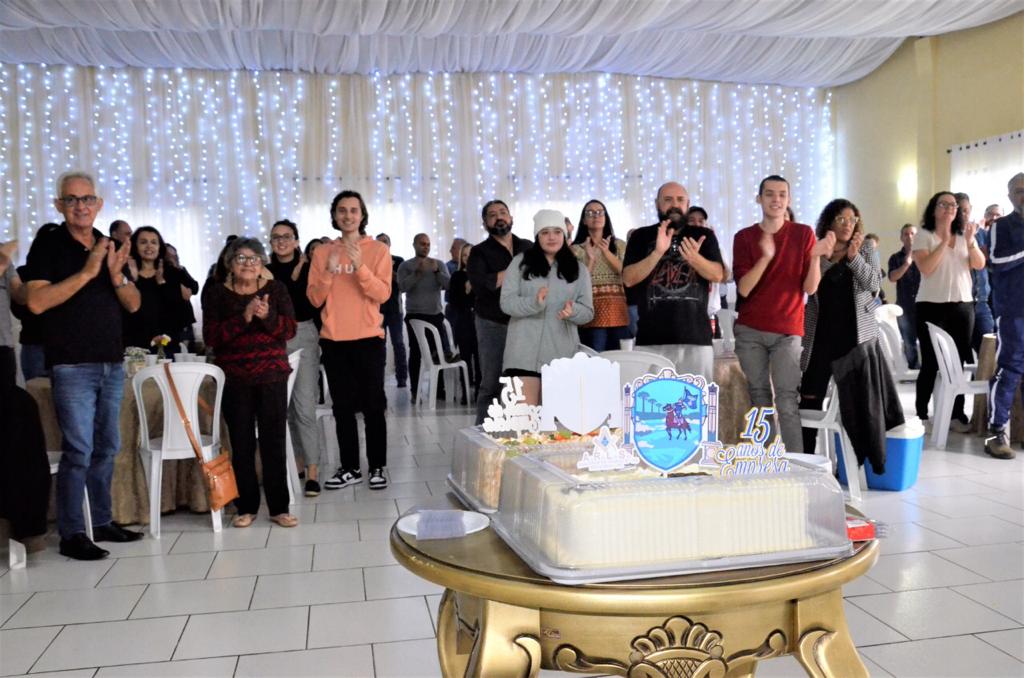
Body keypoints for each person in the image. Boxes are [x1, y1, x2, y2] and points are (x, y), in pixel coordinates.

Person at [22, 170, 143, 560]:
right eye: (72, 199)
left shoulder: (109, 244)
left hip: (111, 362)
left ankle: (102, 521)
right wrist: (89, 271)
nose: (80, 206)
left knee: (107, 447)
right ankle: (72, 533)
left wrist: (115, 275)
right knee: (79, 450)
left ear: (99, 203)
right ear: (59, 204)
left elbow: (134, 304)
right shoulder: (49, 244)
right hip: (72, 364)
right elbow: (36, 302)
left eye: (87, 199)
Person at [732, 175, 834, 452]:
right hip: (750, 329)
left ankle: (796, 464)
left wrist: (815, 256)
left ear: (788, 199)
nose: (776, 199)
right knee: (759, 397)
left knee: (787, 399)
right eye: (769, 194)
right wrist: (766, 257)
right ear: (759, 199)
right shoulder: (744, 237)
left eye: (781, 194)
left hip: (788, 329)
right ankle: (768, 460)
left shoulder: (803, 234)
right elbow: (744, 288)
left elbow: (810, 288)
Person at [799, 199, 903, 470]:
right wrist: (824, 255)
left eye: (852, 219)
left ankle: (853, 468)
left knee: (858, 409)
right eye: (841, 219)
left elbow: (873, 285)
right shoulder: (819, 248)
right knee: (809, 400)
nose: (847, 224)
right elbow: (809, 287)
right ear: (829, 222)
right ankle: (805, 462)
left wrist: (854, 257)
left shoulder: (866, 247)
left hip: (855, 340)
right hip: (820, 337)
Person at [203, 237, 298, 527]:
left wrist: (267, 316)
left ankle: (279, 508)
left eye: (254, 258)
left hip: (271, 375)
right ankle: (246, 507)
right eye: (241, 258)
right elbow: (211, 337)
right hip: (235, 379)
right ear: (230, 263)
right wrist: (243, 317)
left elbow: (289, 330)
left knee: (273, 442)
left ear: (262, 264)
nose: (248, 264)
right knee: (241, 443)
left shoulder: (276, 289)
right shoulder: (217, 293)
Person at [307, 190, 392, 491]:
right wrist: (329, 272)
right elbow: (314, 299)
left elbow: (383, 294)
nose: (348, 215)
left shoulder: (378, 250)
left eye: (354, 210)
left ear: (362, 215)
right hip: (334, 341)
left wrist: (360, 268)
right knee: (342, 407)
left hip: (368, 339)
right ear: (334, 216)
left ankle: (377, 466)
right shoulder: (322, 252)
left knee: (373, 406)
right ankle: (350, 468)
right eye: (342, 210)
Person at [622, 182, 725, 380]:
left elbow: (717, 275)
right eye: (668, 200)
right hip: (651, 339)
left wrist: (695, 259)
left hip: (696, 339)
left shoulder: (703, 236)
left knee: (695, 398)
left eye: (680, 200)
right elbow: (628, 279)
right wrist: (657, 252)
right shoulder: (640, 236)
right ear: (657, 204)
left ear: (688, 204)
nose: (674, 205)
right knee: (653, 399)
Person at [500, 210, 594, 404]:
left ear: (564, 235)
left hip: (562, 354)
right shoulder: (520, 263)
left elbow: (588, 312)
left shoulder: (579, 269)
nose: (552, 237)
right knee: (523, 418)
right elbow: (506, 302)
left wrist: (573, 311)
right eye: (545, 232)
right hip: (523, 353)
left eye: (557, 232)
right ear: (537, 236)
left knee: (556, 419)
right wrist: (533, 303)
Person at [912, 191, 986, 430]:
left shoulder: (965, 236)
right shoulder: (924, 235)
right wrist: (944, 241)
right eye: (943, 204)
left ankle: (955, 415)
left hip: (962, 306)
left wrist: (971, 241)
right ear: (933, 209)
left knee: (958, 363)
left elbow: (979, 264)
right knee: (931, 363)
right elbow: (926, 268)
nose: (950, 208)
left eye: (953, 205)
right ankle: (922, 414)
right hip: (930, 306)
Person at [267, 219, 323, 496]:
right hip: (274, 337)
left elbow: (311, 303)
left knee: (304, 406)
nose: (281, 241)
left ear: (296, 241)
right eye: (276, 237)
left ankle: (312, 470)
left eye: (286, 236)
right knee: (285, 407)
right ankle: (298, 461)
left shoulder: (310, 268)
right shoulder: (265, 271)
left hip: (303, 333)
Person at [467, 200, 531, 424]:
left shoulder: (528, 247)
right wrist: (516, 268)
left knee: (524, 381)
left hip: (525, 322)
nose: (499, 217)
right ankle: (482, 435)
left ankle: (518, 430)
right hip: (493, 323)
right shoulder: (479, 252)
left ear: (511, 218)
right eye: (493, 215)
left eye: (503, 212)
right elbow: (482, 286)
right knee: (492, 382)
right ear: (485, 223)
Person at [984, 173, 1024, 459]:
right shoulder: (1001, 226)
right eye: (1019, 191)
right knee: (1009, 369)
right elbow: (996, 260)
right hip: (1012, 311)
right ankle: (995, 433)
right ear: (1010, 196)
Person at [397, 233, 457, 402]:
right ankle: (415, 391)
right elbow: (402, 287)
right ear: (414, 245)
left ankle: (439, 390)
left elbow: (449, 285)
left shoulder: (438, 264)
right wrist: (417, 273)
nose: (426, 247)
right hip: (414, 315)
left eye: (428, 244)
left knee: (438, 353)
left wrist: (437, 271)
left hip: (435, 315)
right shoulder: (405, 265)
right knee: (416, 353)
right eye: (422, 244)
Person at [122, 226, 191, 355]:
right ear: (135, 246)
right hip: (136, 345)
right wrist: (133, 280)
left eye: (154, 242)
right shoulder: (126, 273)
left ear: (160, 247)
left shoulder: (172, 273)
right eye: (143, 242)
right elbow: (126, 311)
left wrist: (162, 283)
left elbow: (179, 312)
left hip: (167, 343)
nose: (149, 246)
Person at [571, 199, 628, 351]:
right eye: (590, 213)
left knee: (620, 359)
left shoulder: (619, 245)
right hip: (591, 312)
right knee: (596, 358)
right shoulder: (575, 249)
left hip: (618, 312)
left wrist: (606, 252)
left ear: (605, 217)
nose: (596, 216)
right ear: (584, 220)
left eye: (600, 212)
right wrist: (590, 259)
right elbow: (578, 284)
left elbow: (626, 274)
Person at [447, 243, 480, 403]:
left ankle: (480, 391)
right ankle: (466, 391)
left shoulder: (482, 275)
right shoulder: (457, 276)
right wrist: (466, 291)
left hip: (481, 322)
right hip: (464, 322)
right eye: (465, 255)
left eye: (471, 254)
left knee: (480, 359)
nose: (468, 258)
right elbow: (453, 301)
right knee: (466, 358)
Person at [376, 233, 409, 388]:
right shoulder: (372, 261)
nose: (382, 244)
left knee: (398, 343)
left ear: (390, 244)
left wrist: (388, 268)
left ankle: (402, 378)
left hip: (395, 309)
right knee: (378, 346)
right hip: (377, 310)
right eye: (379, 242)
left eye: (385, 242)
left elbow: (403, 284)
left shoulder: (399, 261)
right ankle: (378, 379)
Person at [968, 198, 1000, 353]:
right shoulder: (977, 234)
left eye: (998, 215)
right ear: (985, 216)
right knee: (982, 343)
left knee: (994, 344)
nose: (994, 218)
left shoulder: (1005, 236)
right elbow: (980, 260)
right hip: (980, 297)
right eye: (990, 214)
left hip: (999, 296)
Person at [887, 223, 921, 369]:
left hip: (924, 305)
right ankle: (913, 370)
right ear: (901, 238)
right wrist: (906, 264)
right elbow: (892, 277)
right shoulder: (895, 258)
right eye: (906, 234)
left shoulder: (925, 255)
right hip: (904, 307)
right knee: (909, 342)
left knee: (929, 340)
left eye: (912, 233)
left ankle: (929, 371)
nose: (909, 237)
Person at [163, 243, 199, 351]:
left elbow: (195, 287)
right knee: (171, 350)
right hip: (169, 320)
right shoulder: (161, 271)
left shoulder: (181, 269)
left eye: (174, 255)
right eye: (168, 255)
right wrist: (182, 288)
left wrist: (178, 269)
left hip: (185, 319)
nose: (171, 258)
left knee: (188, 350)